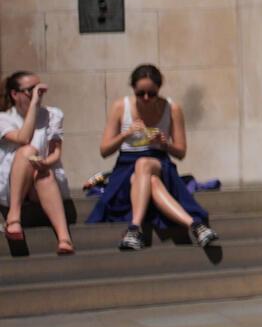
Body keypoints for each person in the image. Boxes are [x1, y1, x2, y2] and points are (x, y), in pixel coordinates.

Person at [89, 64, 220, 263]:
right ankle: (195, 225)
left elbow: (181, 152)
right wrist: (126, 134)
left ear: (159, 89)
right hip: (126, 167)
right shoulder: (120, 107)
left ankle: (134, 229)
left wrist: (164, 143)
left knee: (145, 163)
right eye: (140, 93)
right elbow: (105, 150)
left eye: (152, 93)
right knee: (150, 180)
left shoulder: (172, 108)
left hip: (159, 161)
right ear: (133, 89)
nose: (146, 98)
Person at [2, 72, 72, 256]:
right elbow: (23, 138)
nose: (37, 95)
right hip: (13, 184)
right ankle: (14, 215)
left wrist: (46, 162)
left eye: (39, 90)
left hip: (39, 183)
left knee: (45, 173)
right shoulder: (4, 118)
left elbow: (56, 151)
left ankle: (64, 238)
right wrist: (33, 105)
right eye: (30, 91)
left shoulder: (53, 114)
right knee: (28, 151)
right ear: (14, 94)